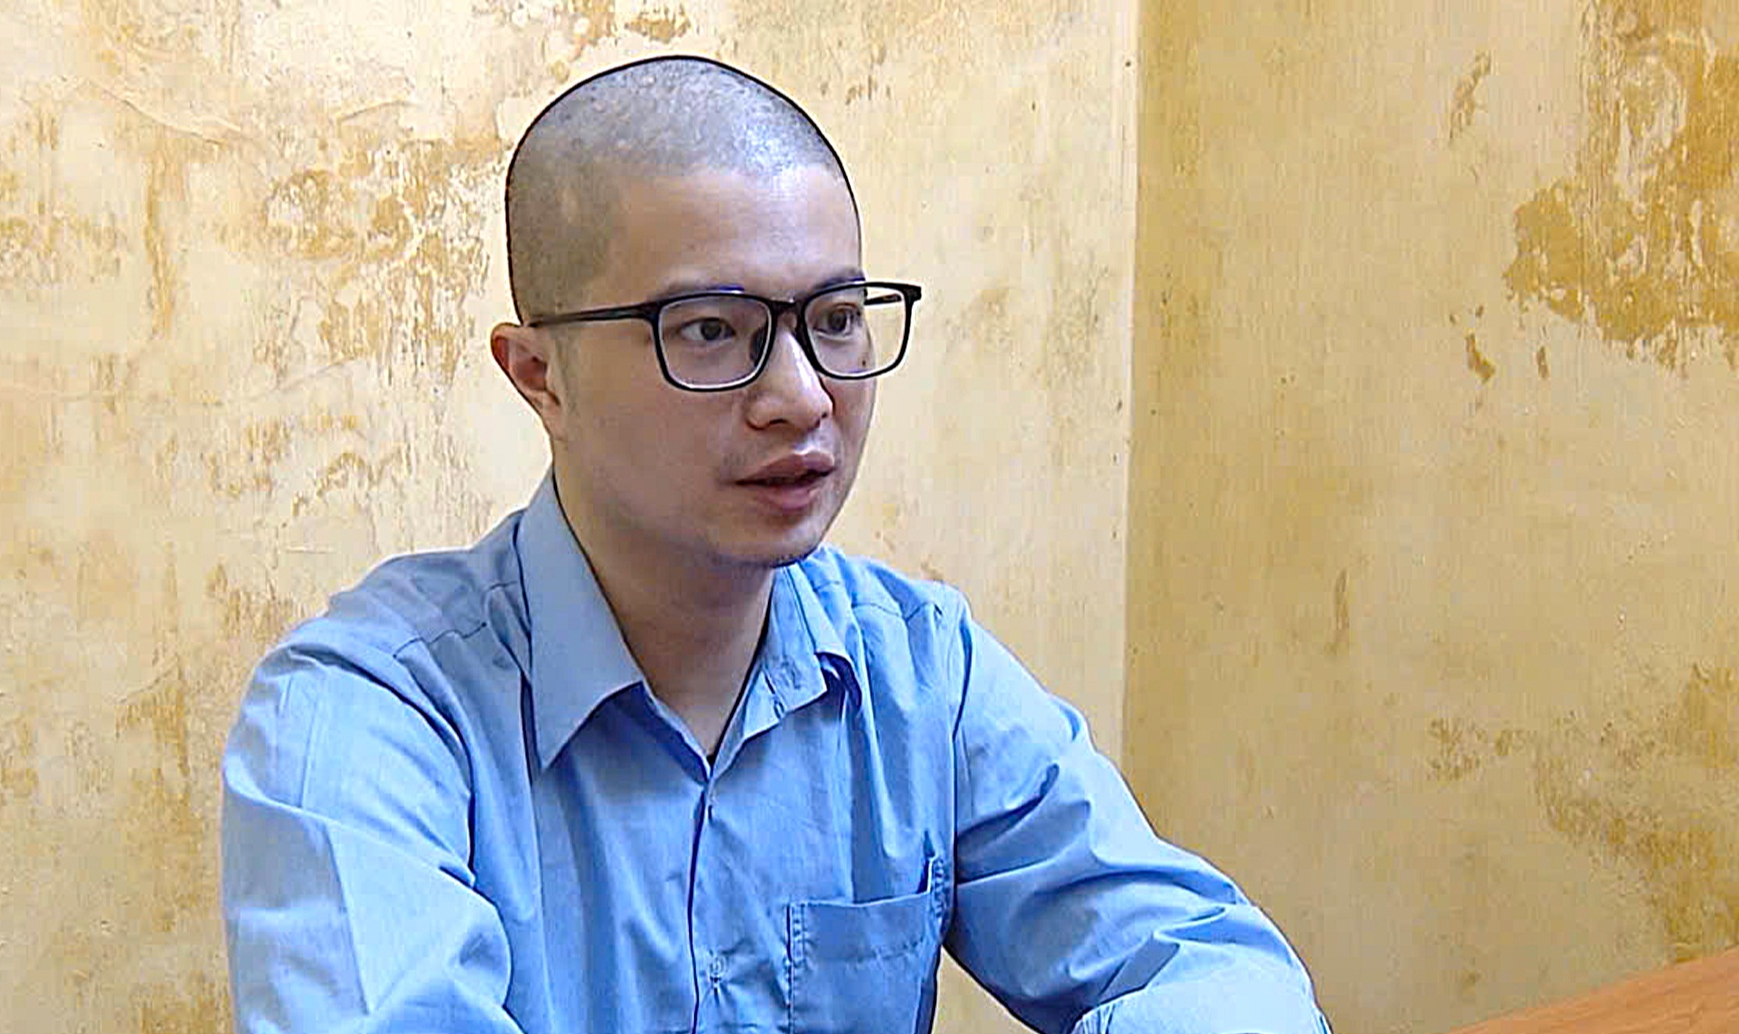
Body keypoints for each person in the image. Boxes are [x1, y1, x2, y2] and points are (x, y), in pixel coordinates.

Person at [220, 55, 1330, 1034]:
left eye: (836, 319)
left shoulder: (917, 673)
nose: (802, 397)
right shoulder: (371, 710)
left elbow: (1219, 971)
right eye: (712, 330)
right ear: (540, 376)